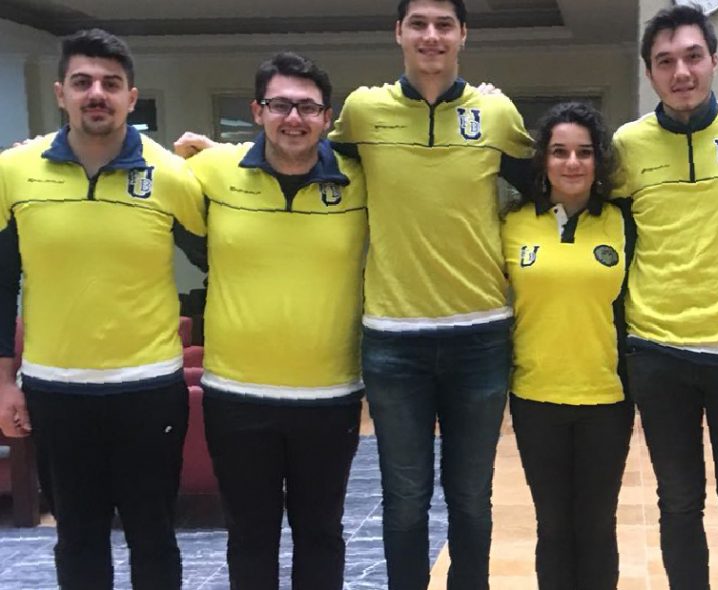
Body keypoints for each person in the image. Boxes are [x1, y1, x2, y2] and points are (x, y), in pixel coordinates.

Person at [326, 0, 532, 587]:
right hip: (394, 339)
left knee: (470, 496)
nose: (431, 36)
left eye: (444, 25)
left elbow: (543, 186)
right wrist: (217, 154)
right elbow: (299, 153)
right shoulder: (363, 112)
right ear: (399, 32)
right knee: (405, 497)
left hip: (480, 337)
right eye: (419, 23)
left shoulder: (496, 113)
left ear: (463, 34)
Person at [0, 29, 206, 590]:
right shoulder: (14, 170)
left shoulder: (171, 175)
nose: (97, 93)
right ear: (60, 93)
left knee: (154, 537)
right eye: (83, 82)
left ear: (131, 98)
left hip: (149, 388)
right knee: (78, 539)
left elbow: (225, 258)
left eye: (111, 84)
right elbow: (1, 280)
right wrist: (4, 381)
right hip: (56, 390)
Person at [173, 52, 367, 590]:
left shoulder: (360, 178)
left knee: (321, 535)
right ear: (257, 111)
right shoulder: (212, 170)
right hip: (237, 396)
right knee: (250, 537)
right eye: (280, 105)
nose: (294, 118)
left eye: (308, 107)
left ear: (327, 117)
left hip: (330, 395)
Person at [610, 6, 718, 589]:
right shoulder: (628, 144)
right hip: (657, 352)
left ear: (714, 59)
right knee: (679, 500)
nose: (681, 72)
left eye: (692, 57)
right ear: (650, 73)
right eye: (665, 62)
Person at [501, 102, 635, 590]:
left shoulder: (624, 222)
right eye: (559, 152)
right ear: (543, 159)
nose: (572, 162)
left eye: (584, 152)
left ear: (599, 160)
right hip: (535, 396)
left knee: (597, 526)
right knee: (553, 526)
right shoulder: (512, 223)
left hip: (606, 397)